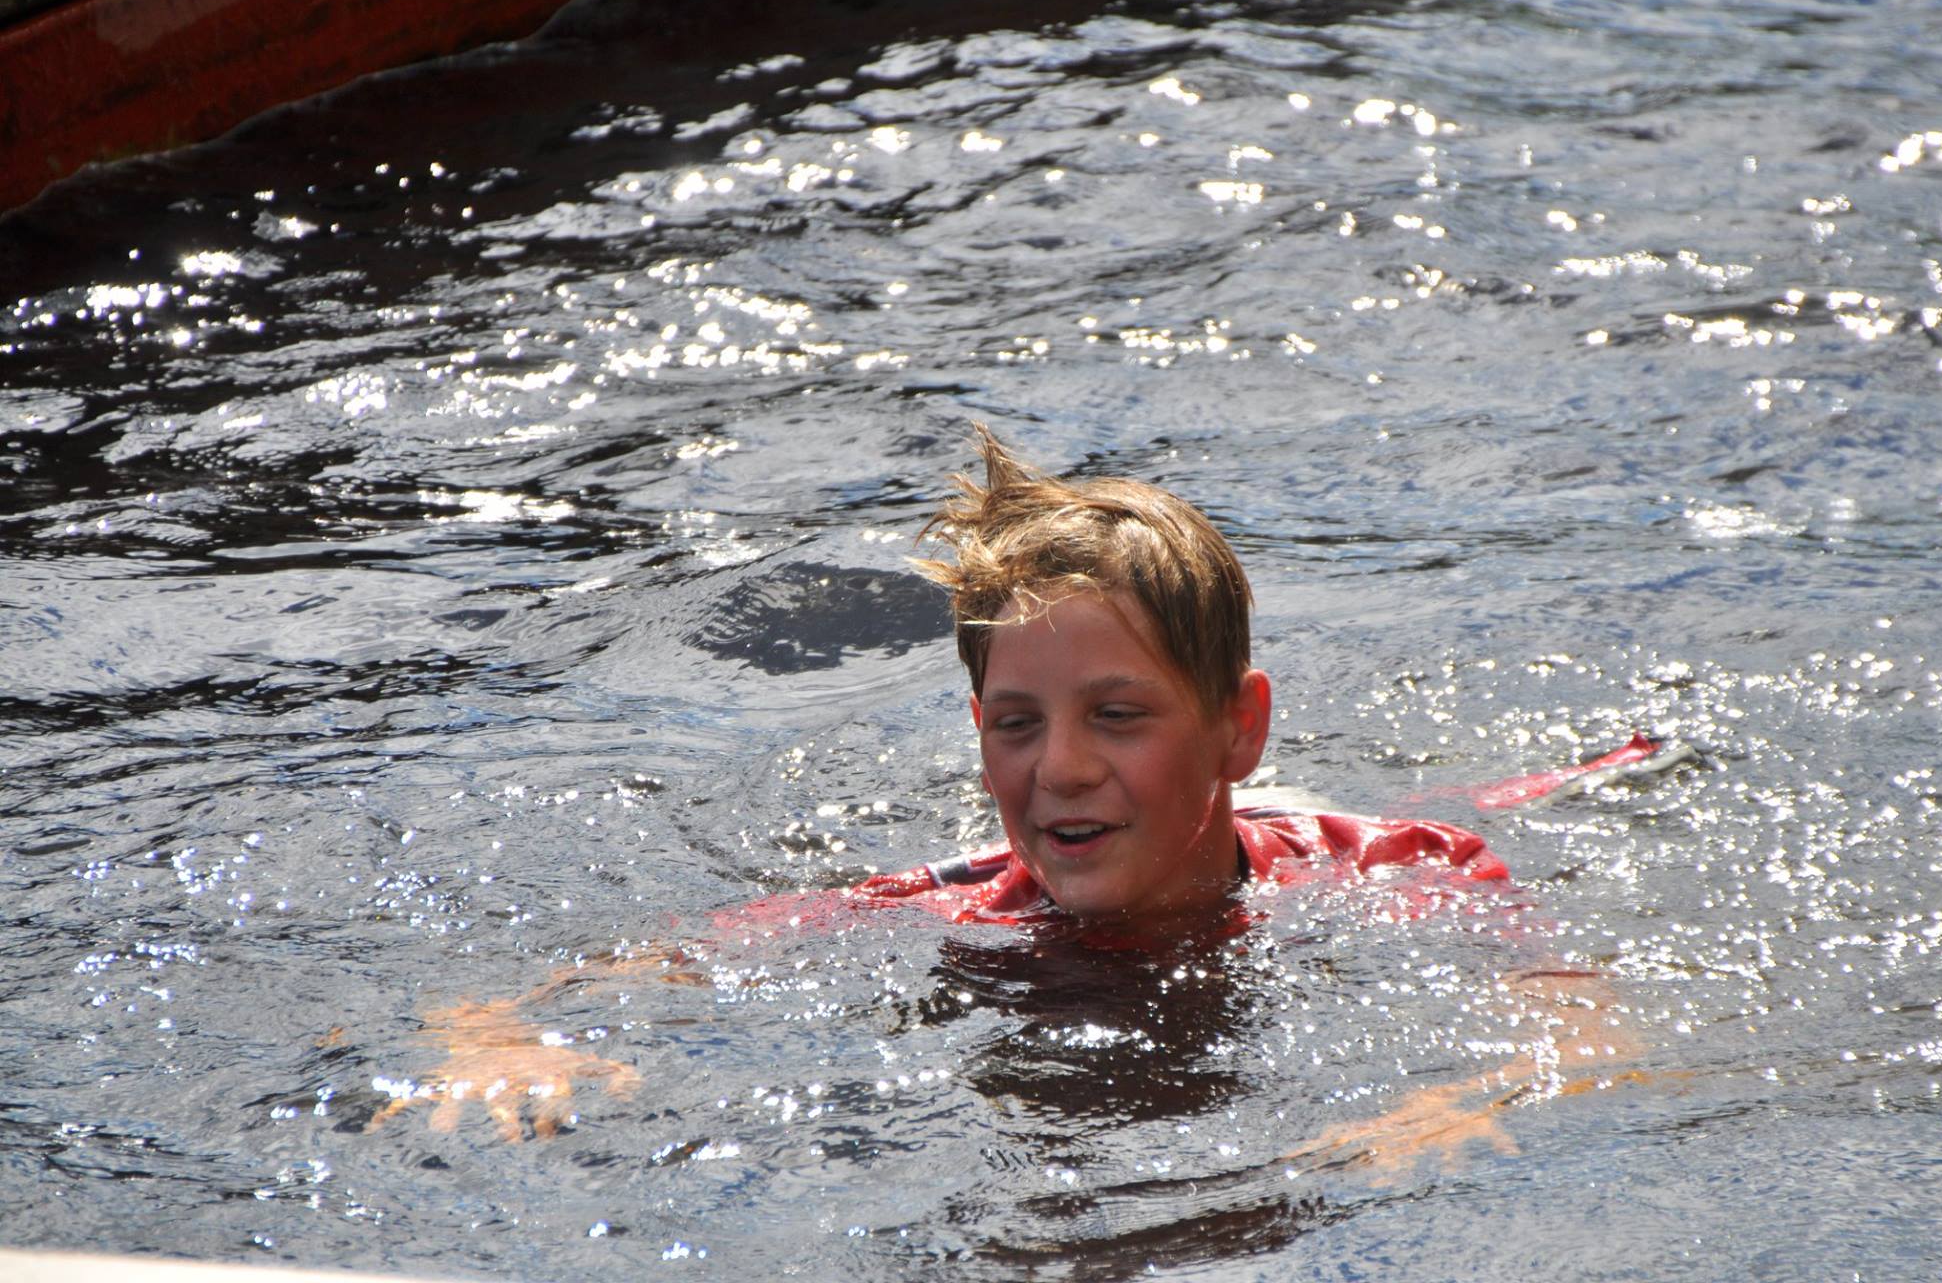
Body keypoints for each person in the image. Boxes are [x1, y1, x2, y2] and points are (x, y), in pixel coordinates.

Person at [368, 427, 1662, 1169]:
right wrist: (498, 1039)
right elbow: (609, 975)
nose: (1062, 770)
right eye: (1017, 725)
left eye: (1118, 715)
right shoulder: (953, 912)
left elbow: (1589, 1027)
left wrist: (1473, 1098)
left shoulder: (1393, 866)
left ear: (1236, 729)